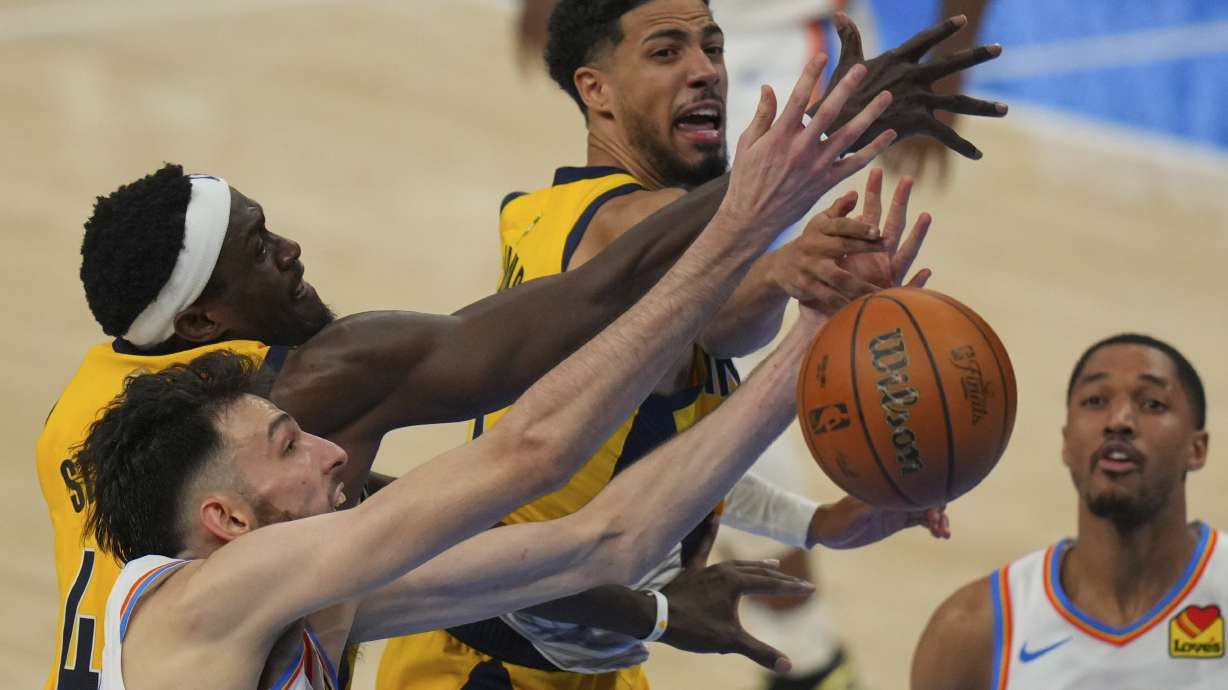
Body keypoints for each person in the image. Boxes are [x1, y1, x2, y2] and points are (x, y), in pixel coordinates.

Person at [85, 64, 941, 690]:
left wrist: (807, 349)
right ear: (226, 519)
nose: (335, 454)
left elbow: (607, 540)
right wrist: (743, 215)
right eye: (289, 445)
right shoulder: (216, 598)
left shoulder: (306, 597)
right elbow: (531, 446)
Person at [378, 1, 998, 688]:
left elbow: (673, 452)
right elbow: (713, 304)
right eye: (667, 53)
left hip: (596, 666)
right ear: (597, 89)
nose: (705, 72)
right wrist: (785, 265)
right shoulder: (621, 238)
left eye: (713, 47)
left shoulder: (545, 212)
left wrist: (819, 521)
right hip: (485, 670)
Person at [911, 334, 1224, 690]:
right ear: (1066, 442)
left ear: (1197, 449)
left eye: (1152, 403)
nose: (1119, 421)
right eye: (1095, 401)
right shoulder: (974, 631)